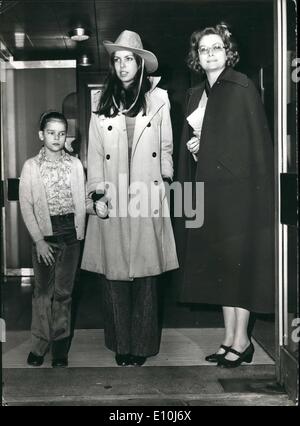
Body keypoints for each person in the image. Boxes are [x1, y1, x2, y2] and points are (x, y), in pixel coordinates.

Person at [176, 23, 274, 368]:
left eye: (217, 48)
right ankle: (229, 338)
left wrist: (210, 147)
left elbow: (253, 147)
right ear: (197, 57)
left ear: (228, 52)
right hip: (209, 196)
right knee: (222, 268)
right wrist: (196, 151)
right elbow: (193, 151)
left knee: (239, 269)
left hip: (239, 197)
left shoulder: (241, 86)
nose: (211, 54)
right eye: (204, 49)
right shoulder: (196, 94)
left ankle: (242, 339)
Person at [81, 30, 178, 367]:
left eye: (129, 59)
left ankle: (143, 346)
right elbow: (93, 153)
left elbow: (165, 147)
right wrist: (95, 193)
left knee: (148, 277)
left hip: (146, 194)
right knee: (114, 276)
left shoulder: (160, 100)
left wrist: (165, 182)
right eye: (117, 59)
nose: (123, 65)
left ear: (140, 63)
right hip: (113, 195)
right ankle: (122, 345)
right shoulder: (99, 103)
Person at [19, 111, 86, 368]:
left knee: (63, 293)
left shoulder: (75, 165)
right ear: (41, 135)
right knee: (42, 292)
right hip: (44, 237)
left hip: (70, 236)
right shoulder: (31, 166)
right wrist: (39, 240)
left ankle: (59, 347)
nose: (57, 138)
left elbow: (81, 202)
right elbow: (26, 206)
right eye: (51, 133)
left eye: (61, 133)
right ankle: (39, 345)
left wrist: (97, 206)